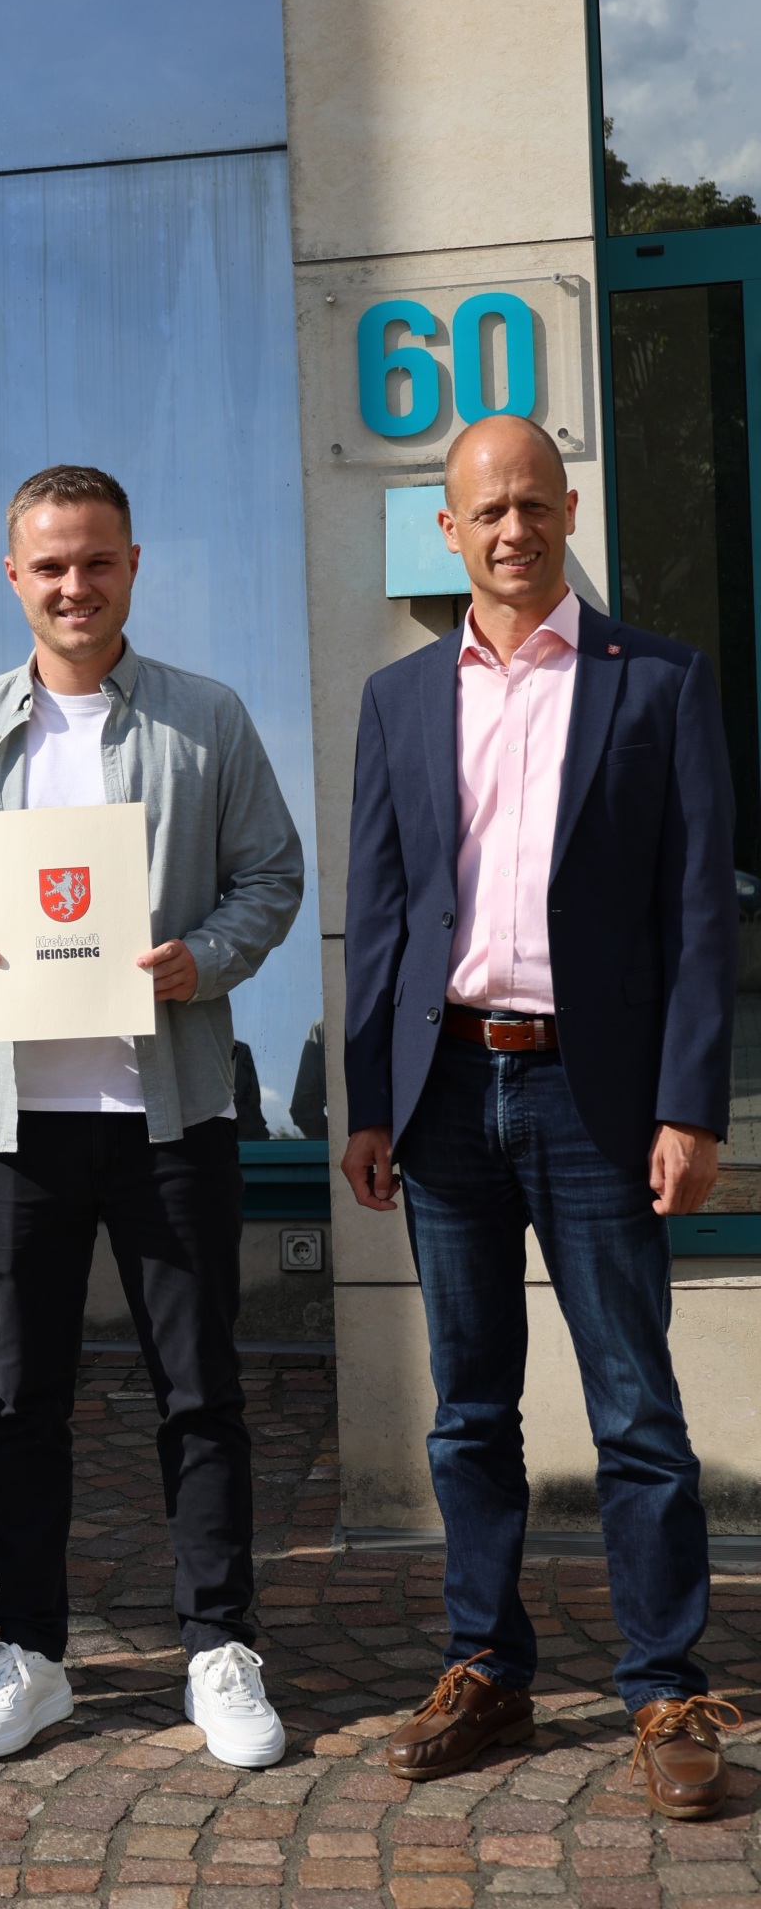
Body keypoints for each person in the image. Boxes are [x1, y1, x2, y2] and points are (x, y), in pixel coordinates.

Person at [342, 415, 740, 1816]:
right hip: (445, 1092)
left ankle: (663, 1684)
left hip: (597, 1097)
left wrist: (689, 1106)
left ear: (568, 511)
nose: (509, 529)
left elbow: (697, 915)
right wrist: (367, 1103)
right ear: (445, 531)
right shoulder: (397, 699)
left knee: (634, 1408)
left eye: (531, 504)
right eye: (484, 510)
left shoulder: (657, 681)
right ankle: (484, 1667)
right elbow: (378, 913)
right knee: (466, 1410)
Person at [0, 465, 304, 1767]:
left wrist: (203, 959)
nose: (74, 586)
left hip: (168, 1118)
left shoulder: (204, 719)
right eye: (50, 566)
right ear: (13, 577)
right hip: (15, 1127)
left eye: (95, 562)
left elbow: (271, 875)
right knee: (20, 1399)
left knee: (201, 1391)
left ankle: (217, 1646)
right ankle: (28, 1654)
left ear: (131, 565)